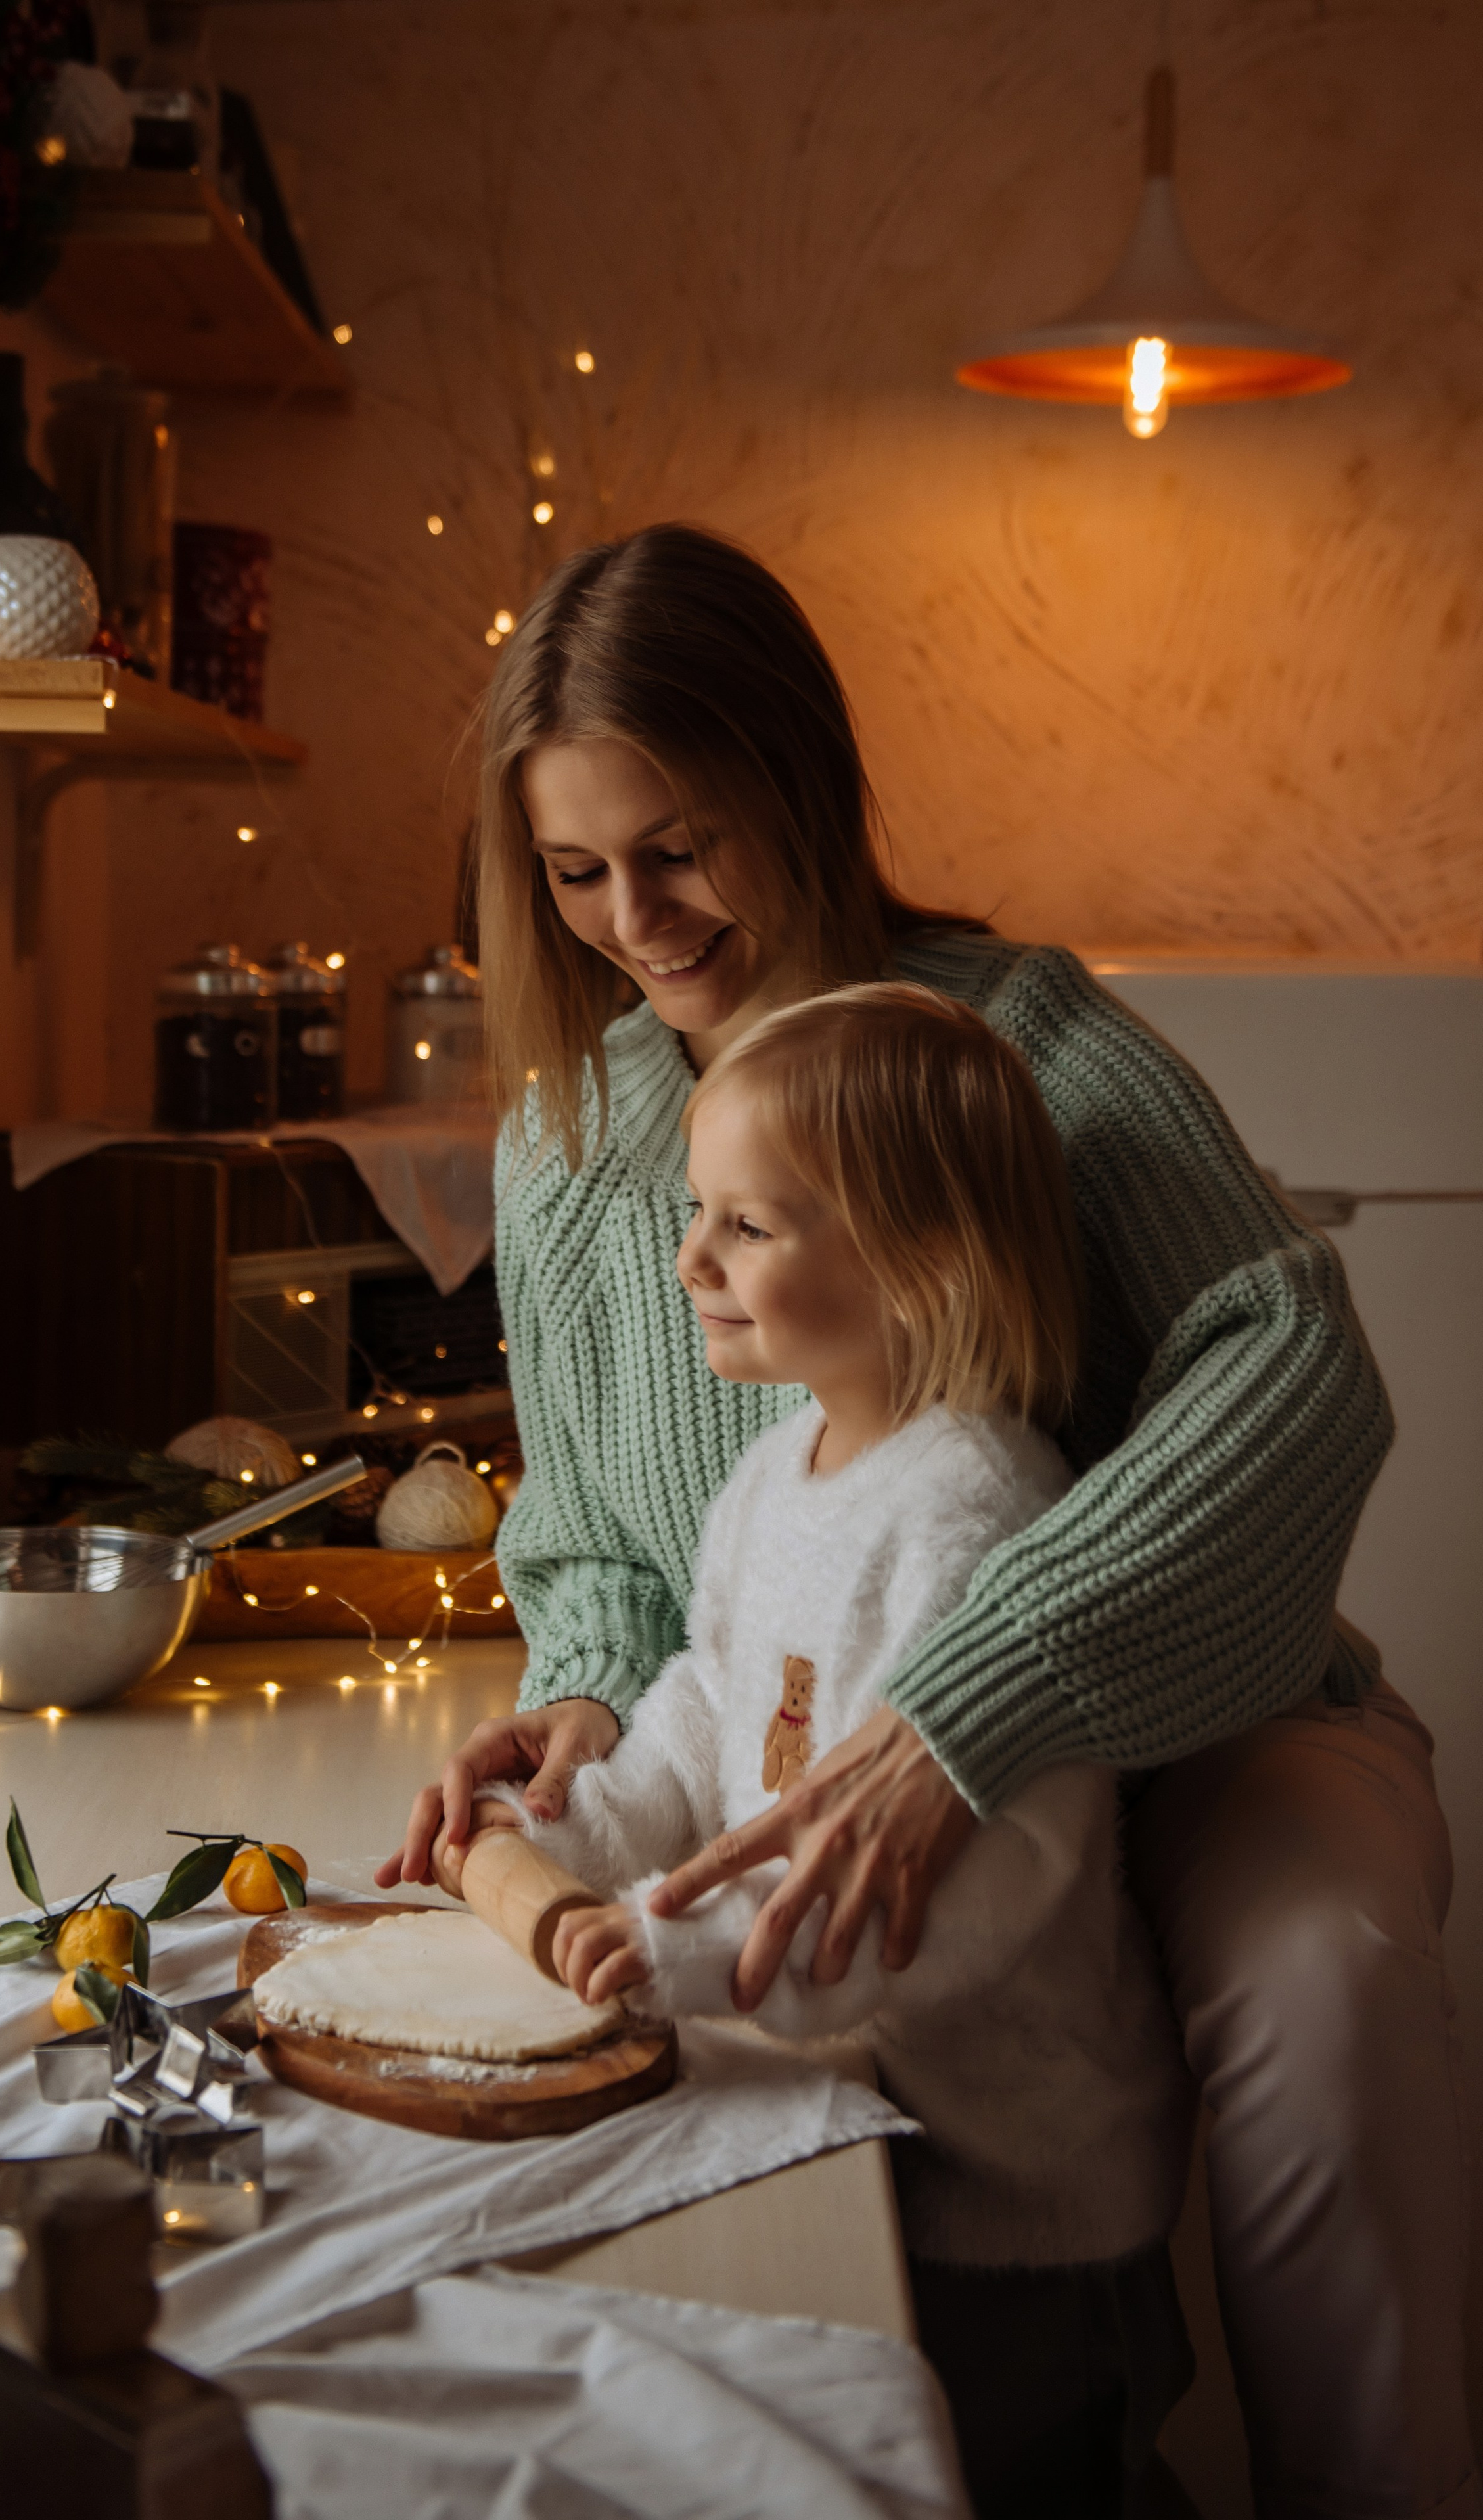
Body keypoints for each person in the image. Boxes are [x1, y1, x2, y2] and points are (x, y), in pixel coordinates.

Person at [379, 524, 1476, 2518]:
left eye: (682, 842)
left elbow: (1298, 1361)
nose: (639, 913)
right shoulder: (569, 1141)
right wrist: (591, 1705)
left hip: (1196, 1725)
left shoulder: (1019, 1050)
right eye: (575, 870)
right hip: (798, 1745)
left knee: (1320, 1984)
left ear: (799, 780)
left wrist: (975, 1703)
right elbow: (614, 1556)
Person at [468, 980, 1197, 2511]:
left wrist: (659, 1946)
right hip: (843, 2121)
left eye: (748, 1225)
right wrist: (570, 1827)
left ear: (915, 1259)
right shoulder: (776, 1472)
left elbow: (926, 1903)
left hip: (1015, 2205)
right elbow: (702, 1707)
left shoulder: (974, 1516)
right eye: (697, 1212)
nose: (689, 1261)